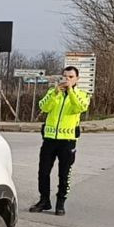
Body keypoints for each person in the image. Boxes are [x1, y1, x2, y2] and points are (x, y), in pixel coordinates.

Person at [31, 66, 90, 216]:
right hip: (50, 139)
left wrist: (70, 91)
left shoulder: (82, 94)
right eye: (65, 76)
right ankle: (44, 200)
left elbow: (80, 107)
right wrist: (56, 93)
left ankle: (60, 203)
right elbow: (43, 107)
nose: (67, 79)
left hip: (68, 140)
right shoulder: (53, 92)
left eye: (70, 77)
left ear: (77, 79)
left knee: (64, 174)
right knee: (43, 172)